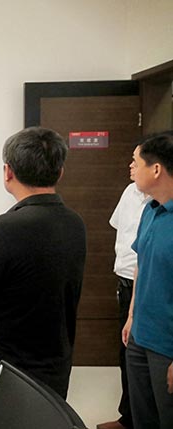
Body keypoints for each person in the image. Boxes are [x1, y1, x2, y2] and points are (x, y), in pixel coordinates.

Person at [0, 126, 87, 417]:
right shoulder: (75, 224)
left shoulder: (2, 229)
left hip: (5, 373)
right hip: (54, 366)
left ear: (8, 172)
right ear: (60, 172)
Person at [121, 131, 173, 429]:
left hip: (167, 344)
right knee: (143, 418)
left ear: (155, 169)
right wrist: (131, 316)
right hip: (140, 335)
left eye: (136, 161)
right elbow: (141, 265)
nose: (131, 167)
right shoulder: (150, 211)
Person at [97, 181, 149, 429]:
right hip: (126, 280)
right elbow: (120, 229)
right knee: (127, 351)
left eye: (136, 163)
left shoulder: (160, 201)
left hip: (147, 281)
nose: (131, 166)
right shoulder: (130, 191)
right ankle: (128, 417)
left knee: (146, 354)